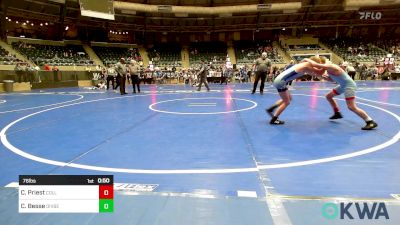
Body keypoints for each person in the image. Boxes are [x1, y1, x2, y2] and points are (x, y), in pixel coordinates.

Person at [303, 58, 378, 130]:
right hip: (343, 85)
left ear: (322, 63)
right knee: (329, 96)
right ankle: (337, 113)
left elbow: (315, 65)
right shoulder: (329, 70)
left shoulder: (331, 66)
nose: (319, 69)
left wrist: (306, 59)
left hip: (349, 86)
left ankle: (370, 121)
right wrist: (326, 78)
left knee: (351, 107)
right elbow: (333, 80)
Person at [266, 56, 326, 125]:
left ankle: (271, 108)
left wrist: (307, 59)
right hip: (281, 82)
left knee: (289, 98)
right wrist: (324, 64)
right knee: (287, 102)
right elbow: (319, 72)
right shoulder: (307, 66)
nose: (318, 66)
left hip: (280, 80)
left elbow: (314, 73)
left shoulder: (303, 64)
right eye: (317, 64)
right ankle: (274, 119)